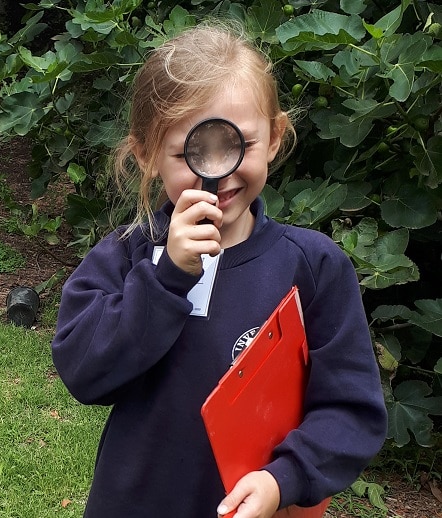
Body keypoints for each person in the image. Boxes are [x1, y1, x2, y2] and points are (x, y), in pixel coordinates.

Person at [50, 22, 387, 518]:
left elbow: (351, 411)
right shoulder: (125, 257)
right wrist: (166, 277)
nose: (220, 171)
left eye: (239, 145)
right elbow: (84, 372)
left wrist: (283, 478)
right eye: (193, 150)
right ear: (145, 154)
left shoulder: (313, 267)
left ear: (274, 138)